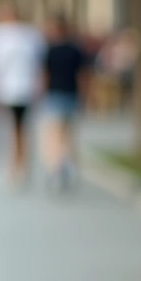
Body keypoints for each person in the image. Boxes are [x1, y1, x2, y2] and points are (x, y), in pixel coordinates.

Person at [0, 4, 45, 187]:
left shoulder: (26, 35)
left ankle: (20, 165)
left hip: (21, 89)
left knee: (18, 128)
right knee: (13, 128)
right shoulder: (2, 35)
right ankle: (15, 164)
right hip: (7, 89)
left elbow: (39, 63)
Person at [41, 13, 88, 192]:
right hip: (72, 95)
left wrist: (42, 93)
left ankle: (56, 166)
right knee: (69, 135)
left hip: (54, 95)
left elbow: (45, 75)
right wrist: (85, 96)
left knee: (54, 135)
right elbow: (83, 76)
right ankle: (69, 164)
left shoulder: (50, 50)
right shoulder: (76, 49)